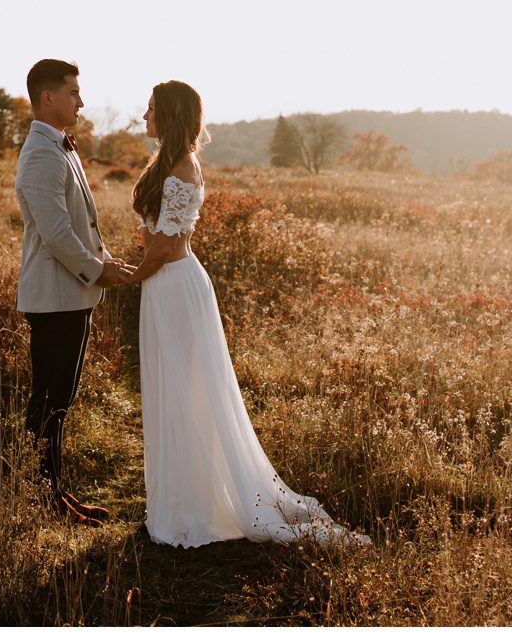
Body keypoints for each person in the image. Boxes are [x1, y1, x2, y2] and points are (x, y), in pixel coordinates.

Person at [124, 80, 371, 548]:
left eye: (150, 109)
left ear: (170, 114)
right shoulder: (168, 162)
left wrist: (130, 276)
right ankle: (177, 496)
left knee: (187, 389)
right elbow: (157, 239)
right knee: (172, 386)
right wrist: (137, 270)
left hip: (174, 284)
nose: (143, 116)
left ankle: (193, 507)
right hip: (165, 284)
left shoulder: (180, 168)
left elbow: (166, 245)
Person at [15, 58, 136, 527]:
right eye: (73, 92)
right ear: (48, 97)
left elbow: (81, 224)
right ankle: (41, 500)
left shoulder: (60, 146)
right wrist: (97, 271)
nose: (81, 101)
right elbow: (57, 233)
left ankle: (52, 493)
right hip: (55, 297)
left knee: (57, 401)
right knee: (48, 403)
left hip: (72, 295)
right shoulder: (42, 153)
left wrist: (105, 262)